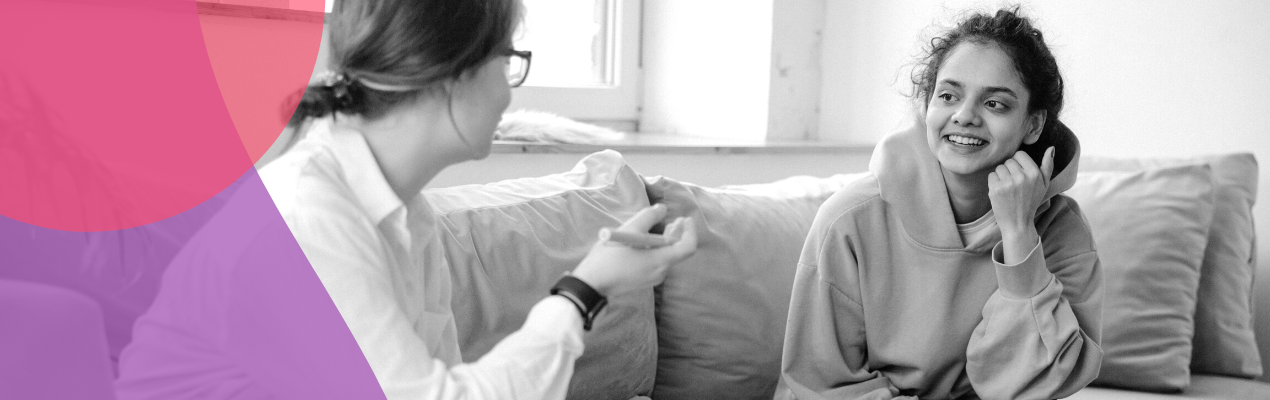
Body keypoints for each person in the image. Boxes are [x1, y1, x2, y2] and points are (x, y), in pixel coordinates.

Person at [115, 0, 697, 399]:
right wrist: (584, 290)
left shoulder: (404, 211)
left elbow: (443, 377)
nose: (507, 94)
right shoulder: (306, 218)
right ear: (450, 73)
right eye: (507, 61)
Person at [779, 8, 1102, 400]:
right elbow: (822, 384)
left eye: (995, 103)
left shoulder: (1063, 230)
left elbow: (1043, 383)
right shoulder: (848, 221)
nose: (964, 116)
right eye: (948, 96)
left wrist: (1020, 235)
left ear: (1033, 124)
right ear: (926, 105)